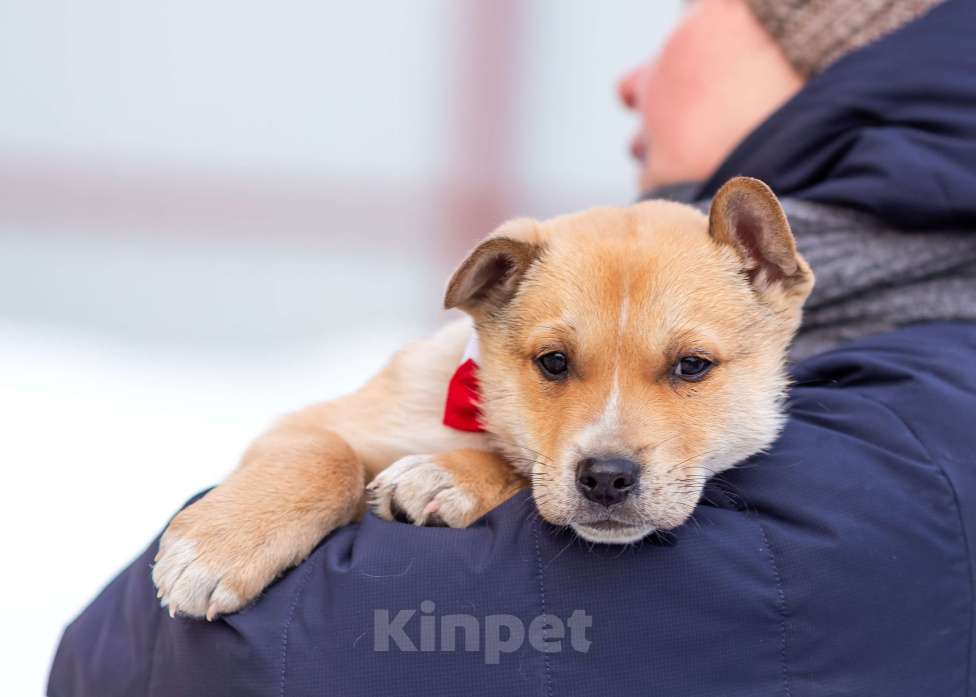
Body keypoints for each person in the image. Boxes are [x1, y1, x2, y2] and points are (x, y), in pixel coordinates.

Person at [49, 1, 976, 695]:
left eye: (685, 368)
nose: (608, 439)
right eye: (556, 365)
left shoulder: (910, 402)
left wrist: (491, 477)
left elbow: (268, 652)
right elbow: (321, 438)